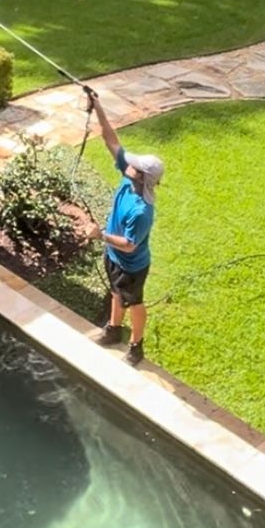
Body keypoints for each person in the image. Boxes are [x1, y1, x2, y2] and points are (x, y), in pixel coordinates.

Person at [88, 91, 163, 366]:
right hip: (113, 256)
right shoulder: (128, 177)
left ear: (142, 177)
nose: (130, 163)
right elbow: (111, 139)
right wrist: (97, 106)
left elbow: (130, 245)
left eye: (136, 165)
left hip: (131, 266)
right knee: (115, 293)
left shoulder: (142, 211)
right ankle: (114, 330)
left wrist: (101, 236)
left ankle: (136, 347)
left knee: (134, 303)